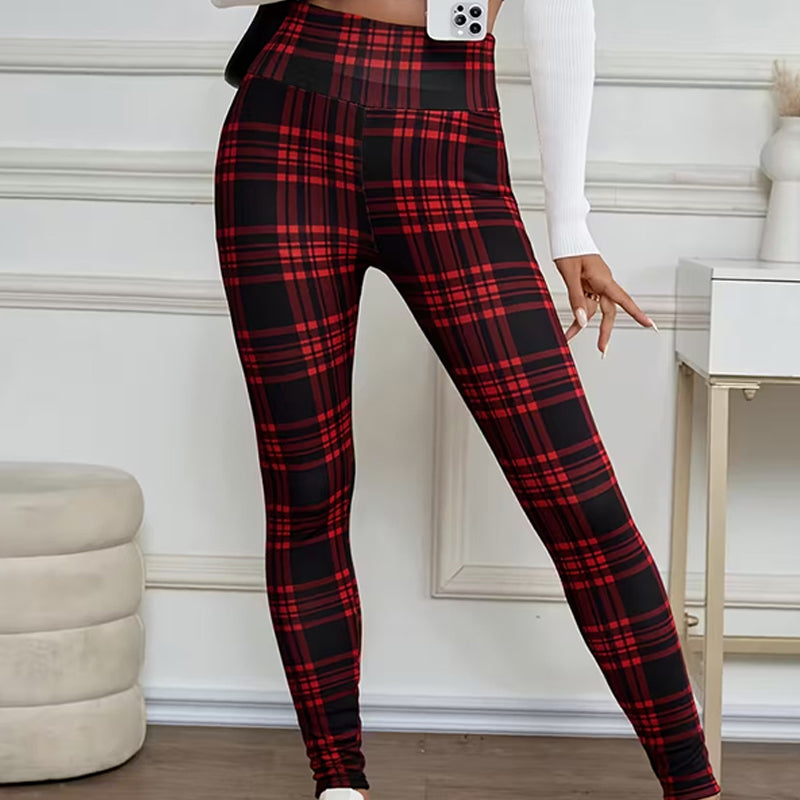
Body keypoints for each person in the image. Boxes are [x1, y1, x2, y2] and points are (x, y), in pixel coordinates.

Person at [211, 1, 724, 799]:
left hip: (448, 135)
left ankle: (694, 789)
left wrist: (571, 224)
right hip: (284, 132)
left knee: (580, 499)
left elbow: (560, 12)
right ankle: (339, 782)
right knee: (306, 489)